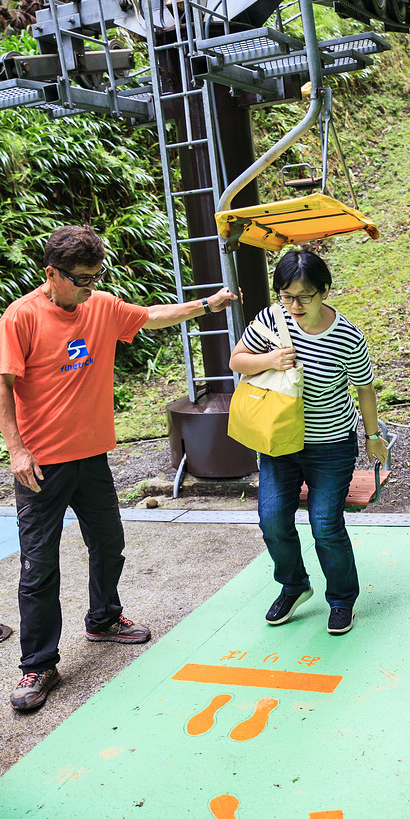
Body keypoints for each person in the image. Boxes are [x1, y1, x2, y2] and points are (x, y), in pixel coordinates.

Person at [0, 225, 237, 711]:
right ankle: (37, 664)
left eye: (95, 277)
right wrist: (16, 449)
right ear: (52, 274)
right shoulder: (20, 317)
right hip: (41, 464)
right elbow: (3, 385)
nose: (90, 287)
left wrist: (207, 306)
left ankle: (104, 618)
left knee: (109, 542)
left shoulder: (101, 306)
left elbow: (150, 316)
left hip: (92, 457)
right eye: (81, 279)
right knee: (39, 565)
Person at [229, 250, 389, 636]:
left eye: (304, 296)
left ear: (324, 291)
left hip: (330, 444)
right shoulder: (270, 319)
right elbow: (237, 360)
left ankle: (341, 599)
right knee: (272, 520)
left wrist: (372, 437)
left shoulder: (347, 335)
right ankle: (295, 585)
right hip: (279, 441)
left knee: (325, 525)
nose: (295, 305)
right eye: (286, 296)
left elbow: (364, 389)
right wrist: (270, 359)